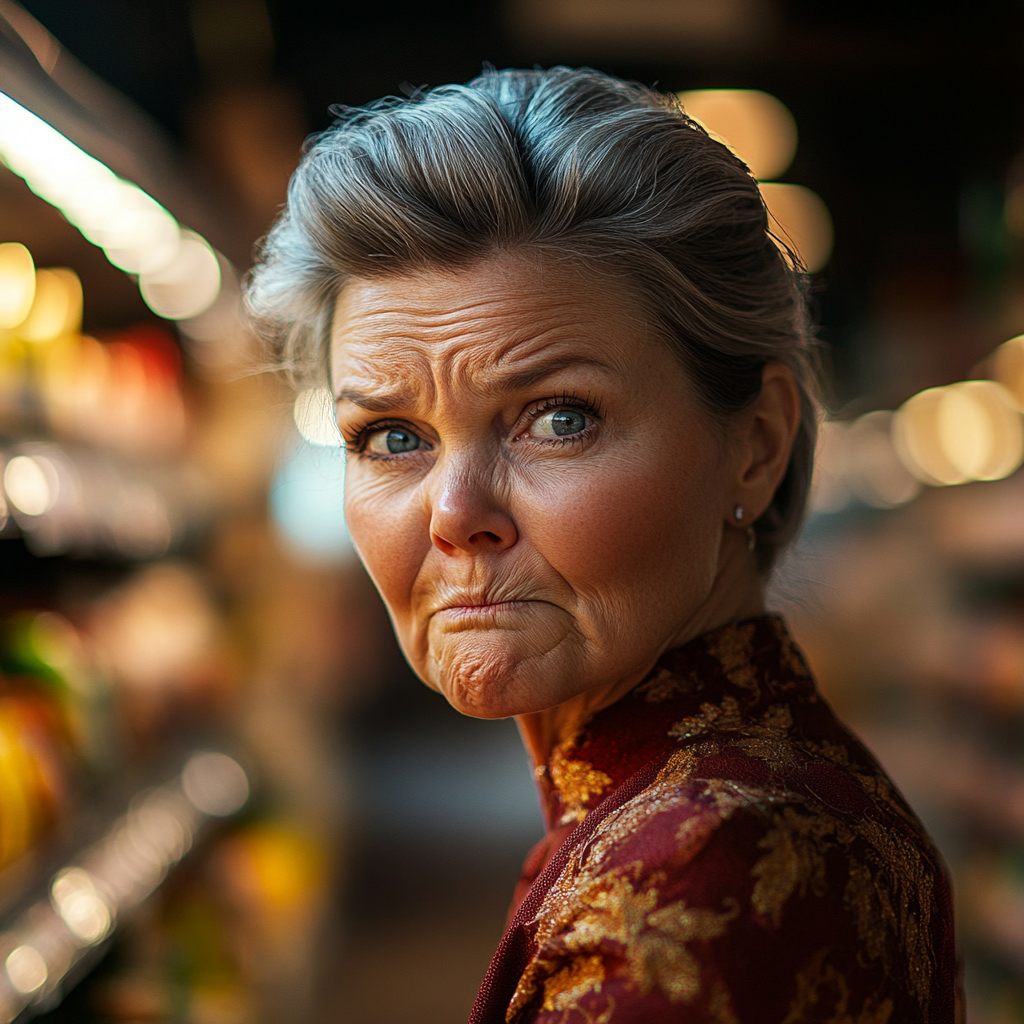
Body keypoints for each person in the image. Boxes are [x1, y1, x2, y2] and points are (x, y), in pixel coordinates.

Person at [247, 67, 960, 1023]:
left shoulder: (714, 874)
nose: (454, 513)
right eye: (392, 437)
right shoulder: (684, 809)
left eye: (557, 418)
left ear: (754, 447)